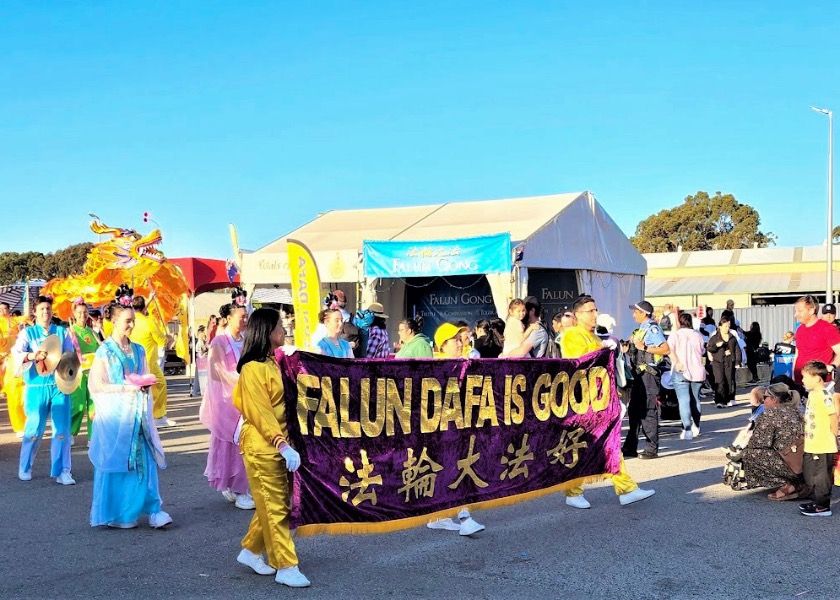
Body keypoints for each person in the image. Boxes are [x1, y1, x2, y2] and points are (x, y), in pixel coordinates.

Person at [232, 308, 310, 587]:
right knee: (277, 506)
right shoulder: (253, 368)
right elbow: (260, 412)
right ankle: (286, 565)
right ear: (267, 331)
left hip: (281, 444)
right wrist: (281, 444)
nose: (284, 328)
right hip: (263, 446)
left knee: (273, 502)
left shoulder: (275, 362)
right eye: (280, 325)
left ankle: (251, 550)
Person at [558, 294, 655, 508]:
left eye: (595, 310)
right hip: (583, 401)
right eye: (590, 311)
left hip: (598, 399)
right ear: (578, 314)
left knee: (607, 445)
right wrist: (605, 351)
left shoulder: (593, 336)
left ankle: (624, 488)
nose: (595, 314)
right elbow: (581, 363)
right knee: (583, 447)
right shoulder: (572, 335)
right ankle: (575, 491)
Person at [88, 284, 172, 529]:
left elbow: (144, 375)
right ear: (113, 321)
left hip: (137, 415)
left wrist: (145, 385)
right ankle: (120, 513)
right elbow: (97, 385)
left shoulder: (138, 349)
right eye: (127, 321)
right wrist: (126, 388)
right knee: (119, 463)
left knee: (144, 459)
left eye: (133, 320)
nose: (131, 325)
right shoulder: (105, 351)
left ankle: (154, 508)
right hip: (116, 416)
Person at [13, 295, 76, 484]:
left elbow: (69, 356)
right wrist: (33, 355)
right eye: (41, 309)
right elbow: (16, 353)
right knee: (34, 428)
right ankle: (25, 467)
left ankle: (63, 471)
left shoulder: (61, 332)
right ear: (35, 312)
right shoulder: (27, 333)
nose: (45, 312)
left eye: (48, 309)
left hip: (59, 386)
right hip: (36, 387)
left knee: (62, 429)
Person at [200, 294, 254, 510]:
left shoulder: (247, 339)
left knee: (246, 442)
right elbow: (216, 372)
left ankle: (241, 486)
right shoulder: (219, 341)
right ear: (229, 318)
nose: (245, 320)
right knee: (234, 441)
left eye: (247, 316)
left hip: (247, 396)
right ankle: (239, 488)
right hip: (227, 399)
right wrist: (241, 380)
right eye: (241, 316)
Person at [740, 382, 805, 499]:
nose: (763, 401)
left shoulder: (770, 414)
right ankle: (798, 482)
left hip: (789, 464)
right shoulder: (796, 411)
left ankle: (789, 484)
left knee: (749, 454)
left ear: (774, 399)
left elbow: (758, 442)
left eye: (765, 397)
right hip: (804, 463)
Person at [624, 301, 670, 460]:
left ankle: (651, 449)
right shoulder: (640, 330)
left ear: (644, 313)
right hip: (638, 375)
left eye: (636, 311)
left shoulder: (653, 329)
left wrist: (645, 348)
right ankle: (630, 447)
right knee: (634, 412)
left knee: (648, 411)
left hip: (649, 375)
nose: (633, 314)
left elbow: (665, 349)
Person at [798, 361, 838, 517]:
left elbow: (833, 417)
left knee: (821, 476)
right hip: (812, 443)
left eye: (805, 377)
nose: (803, 380)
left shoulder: (824, 395)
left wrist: (832, 437)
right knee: (810, 473)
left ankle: (822, 506)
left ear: (817, 378)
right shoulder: (813, 394)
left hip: (823, 444)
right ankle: (815, 501)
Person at [130, 295, 174, 427]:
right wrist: (169, 338)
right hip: (149, 362)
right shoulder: (149, 322)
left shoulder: (129, 321)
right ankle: (158, 415)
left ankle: (139, 418)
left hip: (133, 361)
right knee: (160, 385)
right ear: (144, 307)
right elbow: (161, 340)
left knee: (135, 391)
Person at [668, 312, 705, 439]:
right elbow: (702, 350)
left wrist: (677, 362)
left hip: (680, 369)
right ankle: (697, 425)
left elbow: (669, 350)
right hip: (698, 370)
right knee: (696, 399)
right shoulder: (698, 335)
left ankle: (687, 429)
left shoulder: (675, 335)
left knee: (684, 400)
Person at [69, 298, 100, 441]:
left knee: (94, 406)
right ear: (74, 314)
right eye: (80, 312)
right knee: (78, 406)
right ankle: (70, 432)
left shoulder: (93, 332)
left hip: (94, 374)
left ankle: (92, 437)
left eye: (85, 312)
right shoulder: (70, 331)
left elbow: (100, 350)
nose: (83, 315)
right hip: (78, 374)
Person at [793, 295, 840, 384]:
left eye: (799, 311)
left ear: (811, 310)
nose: (796, 315)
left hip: (820, 384)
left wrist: (832, 366)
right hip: (800, 383)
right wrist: (793, 377)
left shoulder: (828, 329)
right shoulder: (799, 330)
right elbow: (797, 355)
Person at [707, 315, 742, 408]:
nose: (728, 328)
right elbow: (710, 348)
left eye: (729, 326)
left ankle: (729, 399)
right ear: (720, 326)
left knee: (729, 380)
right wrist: (717, 346)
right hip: (718, 362)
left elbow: (737, 349)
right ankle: (719, 400)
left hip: (729, 361)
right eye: (726, 326)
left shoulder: (732, 337)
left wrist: (738, 361)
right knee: (720, 380)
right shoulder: (715, 337)